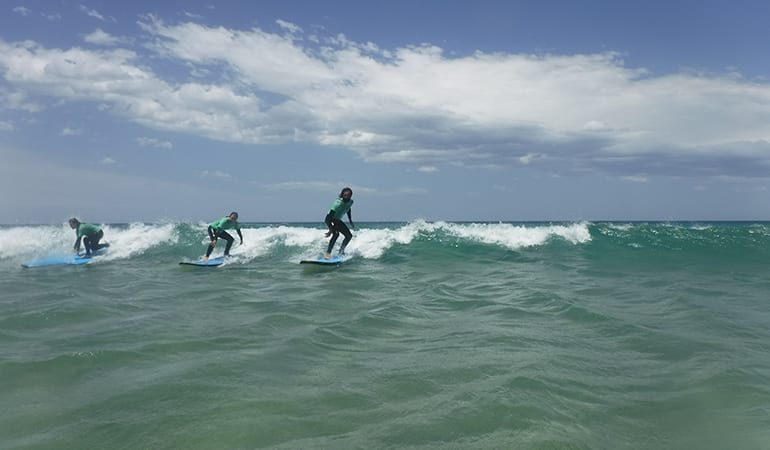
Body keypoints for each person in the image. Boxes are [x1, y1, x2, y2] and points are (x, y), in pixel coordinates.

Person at [324, 187, 355, 259]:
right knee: (335, 234)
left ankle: (341, 251)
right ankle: (328, 253)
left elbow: (348, 208)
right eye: (345, 195)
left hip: (337, 220)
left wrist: (350, 220)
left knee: (349, 236)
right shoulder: (337, 204)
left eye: (348, 196)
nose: (346, 197)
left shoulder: (350, 202)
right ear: (342, 195)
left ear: (351, 196)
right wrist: (330, 229)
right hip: (330, 219)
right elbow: (328, 218)